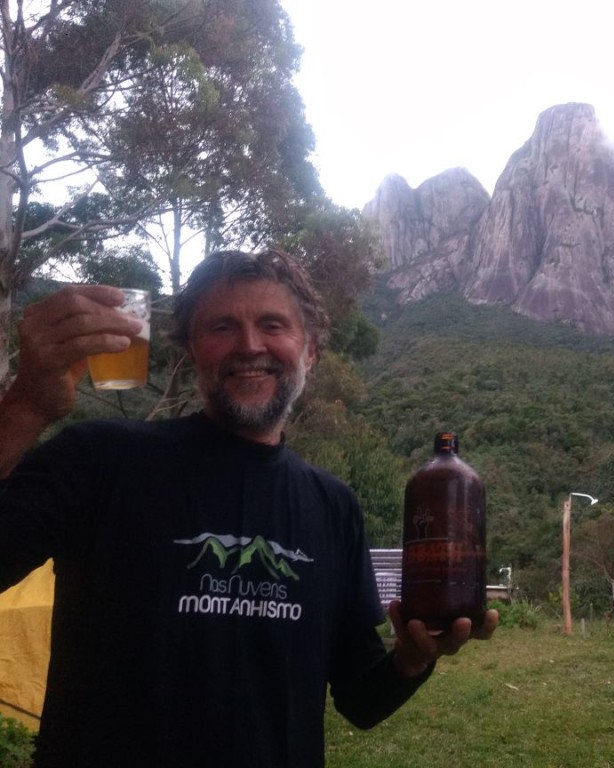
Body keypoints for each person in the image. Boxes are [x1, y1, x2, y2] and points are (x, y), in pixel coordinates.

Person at [0, 248, 498, 767]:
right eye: (221, 327)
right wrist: (28, 402)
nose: (250, 345)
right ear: (192, 351)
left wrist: (413, 658)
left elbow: (360, 700)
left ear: (309, 353)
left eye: (273, 324)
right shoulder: (99, 457)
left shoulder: (333, 505)